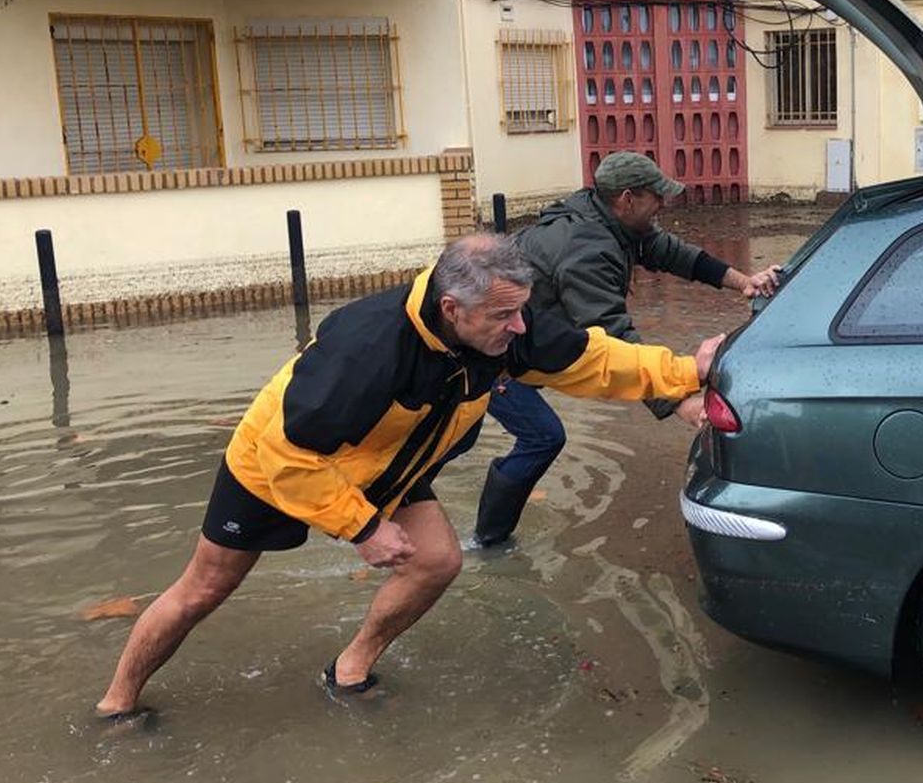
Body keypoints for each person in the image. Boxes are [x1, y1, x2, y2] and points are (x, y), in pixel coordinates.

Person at [95, 232, 720, 719]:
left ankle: (349, 667)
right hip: (274, 464)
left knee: (438, 560)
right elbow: (291, 456)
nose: (520, 328)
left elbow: (592, 358)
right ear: (453, 307)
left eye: (522, 312)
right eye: (506, 316)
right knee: (204, 589)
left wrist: (684, 372)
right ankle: (118, 703)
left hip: (389, 465)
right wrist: (362, 527)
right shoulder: (367, 348)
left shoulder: (503, 325)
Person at [473, 152, 780, 548]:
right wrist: (677, 400)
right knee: (542, 436)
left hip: (533, 345)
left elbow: (672, 253)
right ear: (628, 198)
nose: (663, 205)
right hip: (492, 352)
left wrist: (744, 283)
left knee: (475, 434)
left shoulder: (606, 217)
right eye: (657, 197)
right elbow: (614, 342)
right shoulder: (588, 249)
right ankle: (488, 542)